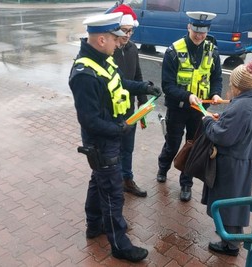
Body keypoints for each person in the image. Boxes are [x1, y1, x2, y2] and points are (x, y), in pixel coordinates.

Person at [68, 12, 161, 262]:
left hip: (111, 137)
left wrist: (144, 87)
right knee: (112, 192)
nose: (120, 42)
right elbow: (88, 120)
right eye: (115, 38)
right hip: (102, 142)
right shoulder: (85, 73)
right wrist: (119, 129)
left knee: (98, 182)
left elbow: (120, 83)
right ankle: (119, 244)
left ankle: (94, 224)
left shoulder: (103, 60)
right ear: (101, 40)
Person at [201, 61, 252, 256]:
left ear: (239, 87)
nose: (230, 87)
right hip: (248, 158)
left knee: (227, 202)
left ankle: (230, 244)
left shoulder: (242, 106)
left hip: (232, 162)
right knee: (238, 201)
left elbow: (223, 136)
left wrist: (207, 122)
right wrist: (221, 120)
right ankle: (232, 238)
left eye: (232, 84)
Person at [156, 11, 223, 202]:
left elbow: (216, 78)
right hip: (178, 108)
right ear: (188, 27)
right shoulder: (174, 51)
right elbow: (167, 85)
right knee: (173, 143)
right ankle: (163, 168)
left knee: (193, 146)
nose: (199, 35)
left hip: (199, 110)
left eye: (203, 32)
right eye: (196, 31)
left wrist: (215, 94)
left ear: (208, 30)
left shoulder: (212, 51)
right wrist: (188, 96)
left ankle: (186, 183)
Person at [112, 4, 148, 197]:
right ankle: (115, 182)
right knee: (114, 149)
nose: (127, 35)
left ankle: (127, 179)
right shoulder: (110, 50)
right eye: (124, 31)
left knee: (128, 147)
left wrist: (142, 101)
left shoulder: (133, 48)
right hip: (114, 109)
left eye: (130, 31)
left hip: (130, 108)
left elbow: (137, 74)